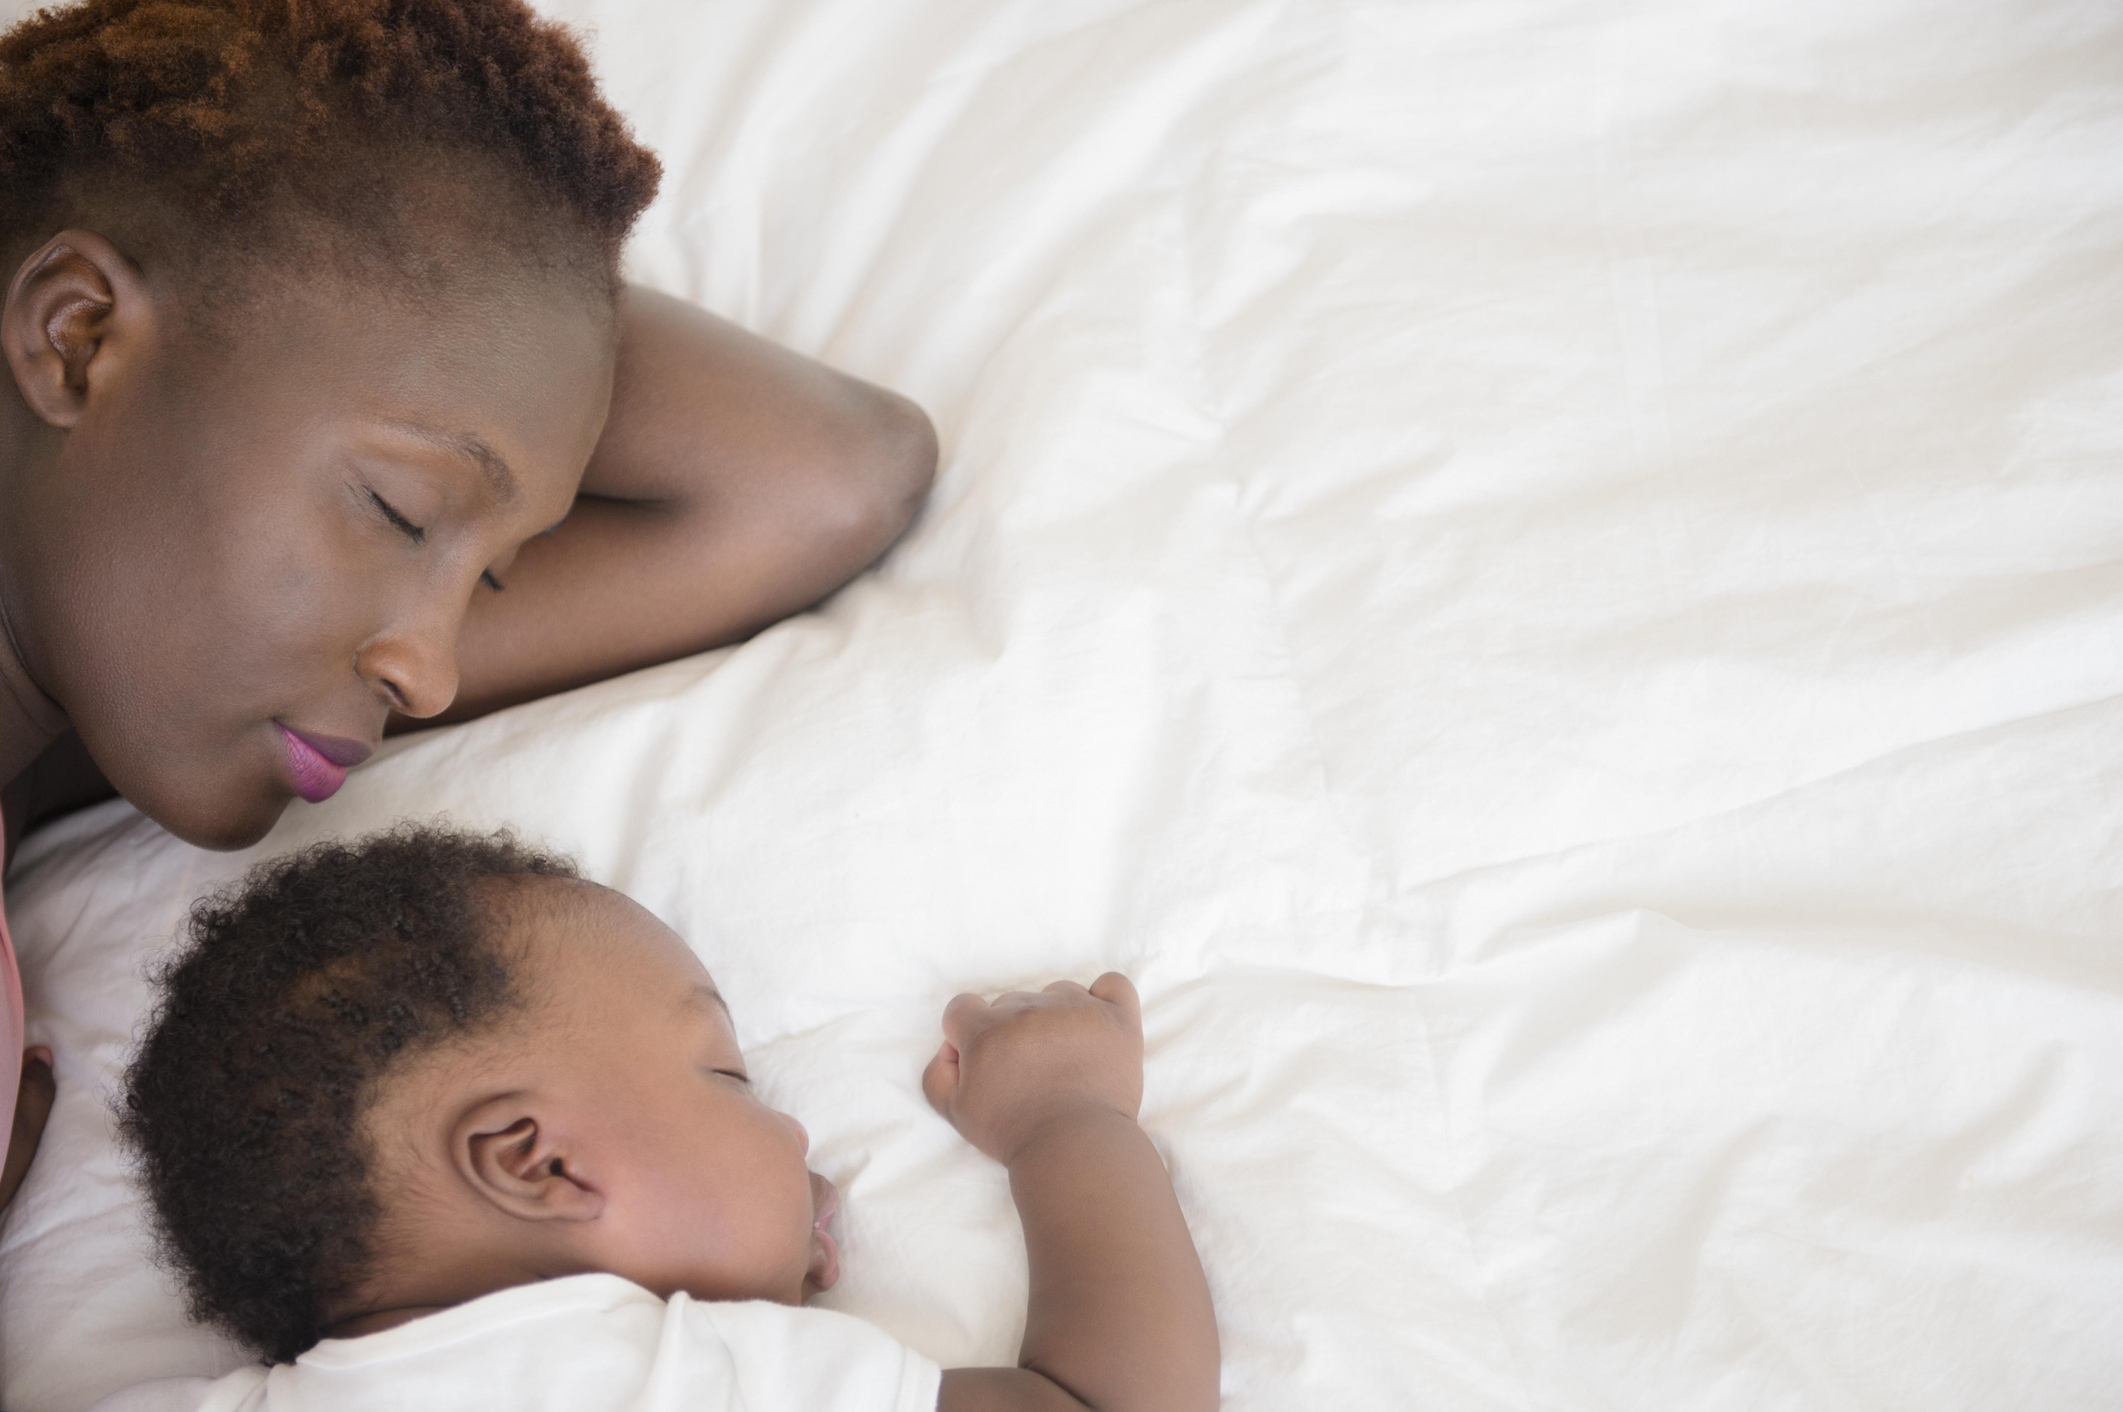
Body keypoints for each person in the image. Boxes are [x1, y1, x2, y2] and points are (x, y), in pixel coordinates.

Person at [0, 0, 939, 1209]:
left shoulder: (97, 686)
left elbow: (823, 477)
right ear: (76, 339)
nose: (430, 671)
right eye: (398, 510)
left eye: (493, 572)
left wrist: (505, 306)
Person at [110, 825, 1219, 1412]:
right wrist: (1064, 1119)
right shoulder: (664, 1376)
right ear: (535, 1159)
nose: (795, 1139)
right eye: (727, 1079)